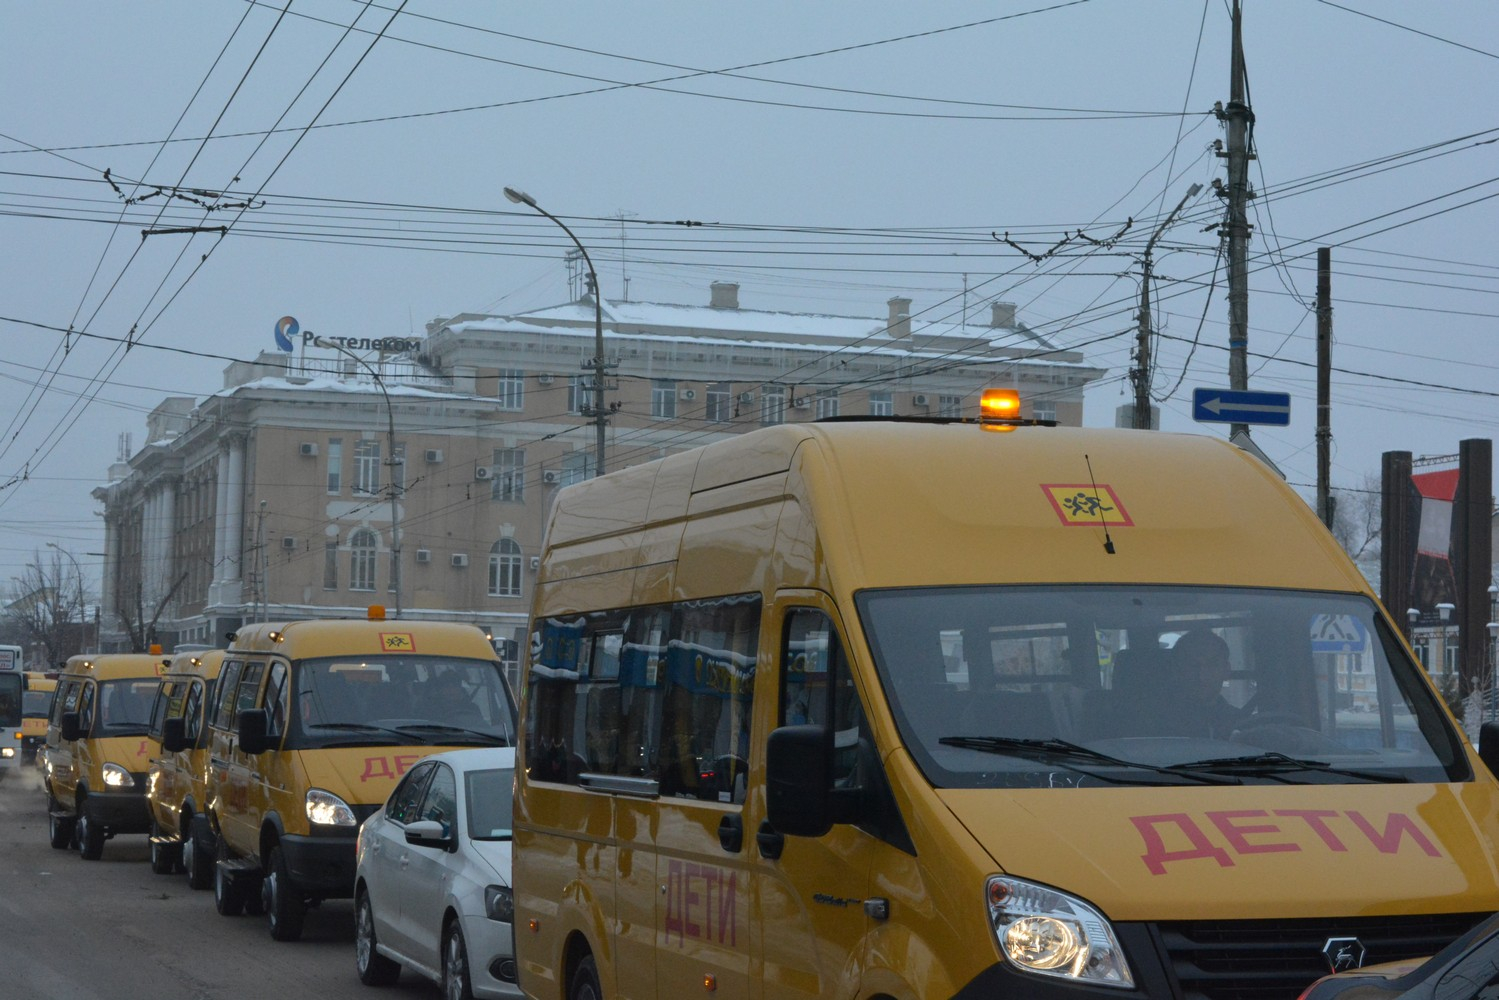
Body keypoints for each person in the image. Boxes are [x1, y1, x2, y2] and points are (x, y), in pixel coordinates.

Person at [1171, 630, 1249, 739]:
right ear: (1177, 671)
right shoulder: (1154, 724)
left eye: (1212, 665)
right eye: (1192, 666)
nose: (1201, 676)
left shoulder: (1245, 725)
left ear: (1226, 670)